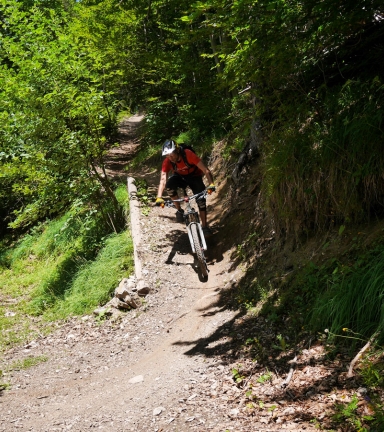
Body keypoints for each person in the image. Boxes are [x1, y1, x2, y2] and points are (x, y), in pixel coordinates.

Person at [155, 139, 216, 236]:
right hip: (180, 177)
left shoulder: (188, 154)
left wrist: (211, 184)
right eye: (167, 156)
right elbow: (163, 180)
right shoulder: (168, 162)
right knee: (169, 186)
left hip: (194, 176)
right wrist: (159, 197)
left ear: (177, 150)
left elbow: (205, 170)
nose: (170, 158)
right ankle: (179, 210)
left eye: (172, 155)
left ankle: (204, 226)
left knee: (201, 200)